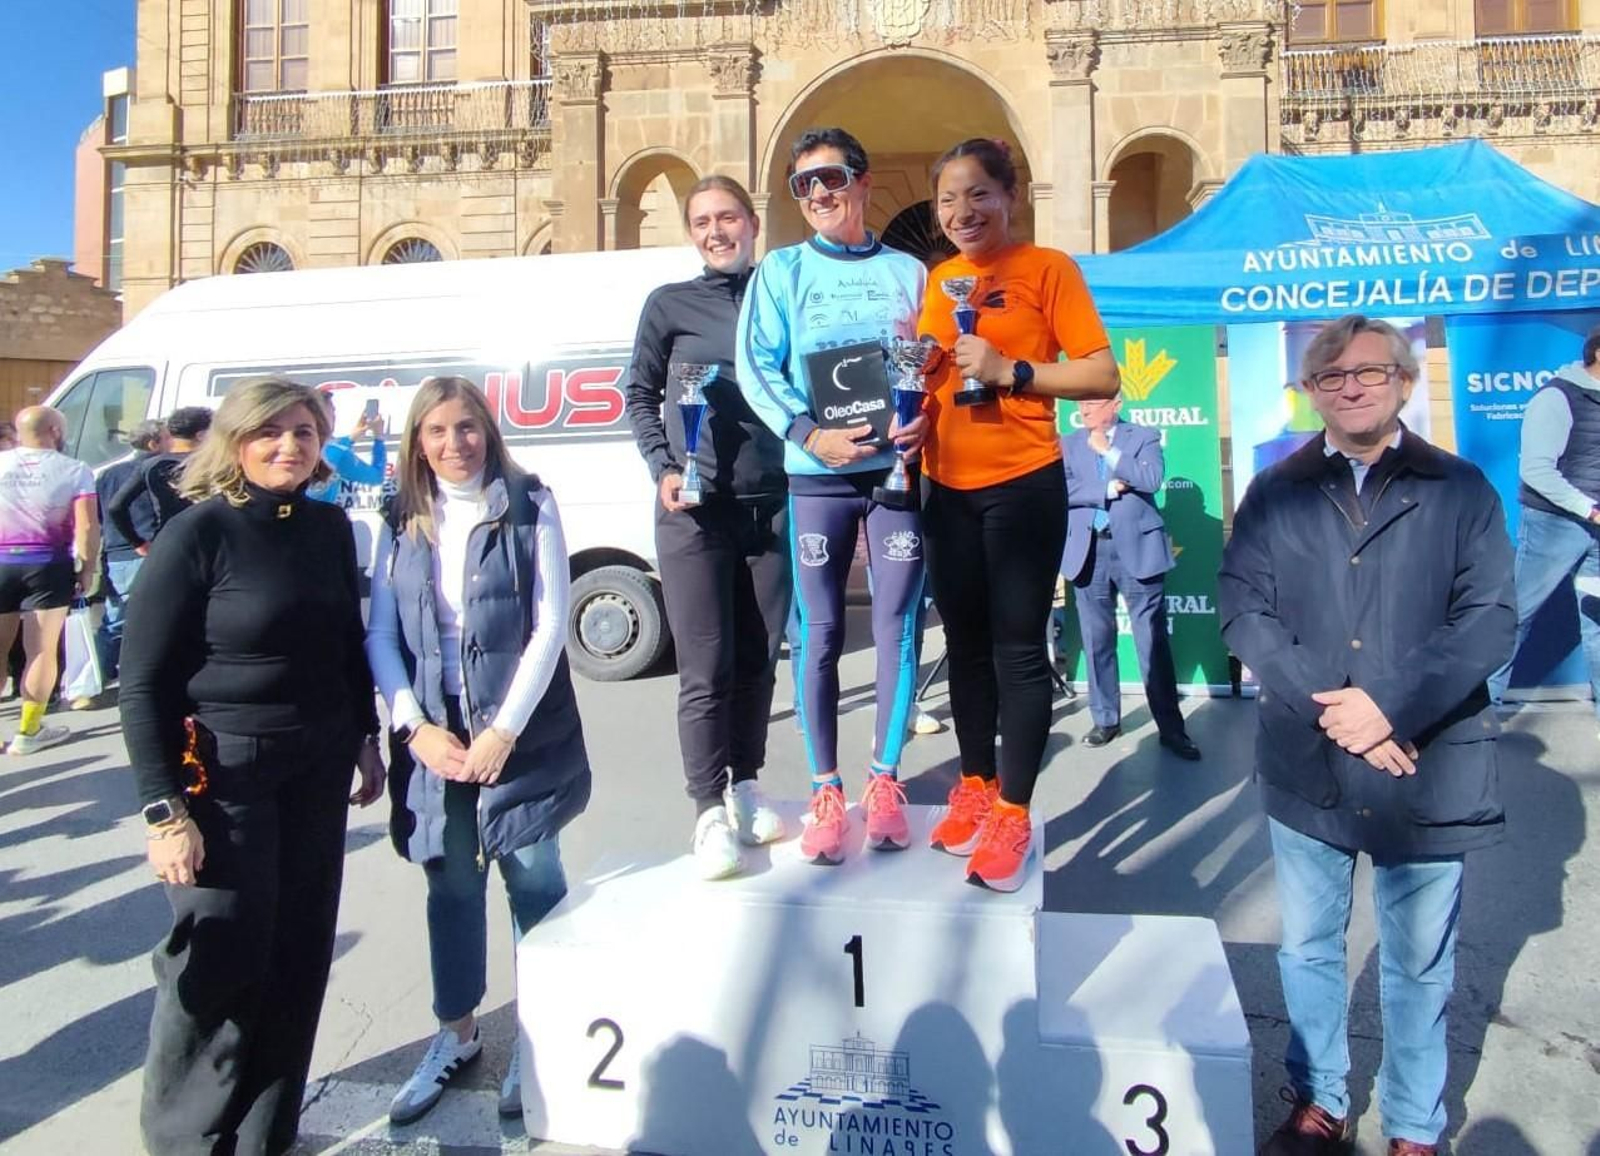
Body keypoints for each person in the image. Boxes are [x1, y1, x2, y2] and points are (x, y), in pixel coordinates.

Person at [1217, 315, 1515, 1156]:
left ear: (1405, 382)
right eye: (1332, 375)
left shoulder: (1460, 490)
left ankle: (1416, 1127)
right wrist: (1336, 708)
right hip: (1307, 763)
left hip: (1423, 764)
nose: (1351, 387)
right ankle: (1319, 1102)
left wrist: (1389, 707)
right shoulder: (1275, 490)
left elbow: (1489, 617)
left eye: (1370, 372)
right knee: (1309, 949)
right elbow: (1244, 607)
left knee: (1418, 965)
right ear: (1310, 390)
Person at [118, 377, 385, 1156]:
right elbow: (142, 683)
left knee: (299, 953)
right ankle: (186, 1138)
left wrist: (365, 738)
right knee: (221, 951)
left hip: (318, 762)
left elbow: (346, 646)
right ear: (235, 441)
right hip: (223, 770)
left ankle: (268, 1135)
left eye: (305, 432)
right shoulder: (196, 533)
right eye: (271, 432)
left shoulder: (331, 528)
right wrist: (163, 810)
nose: (289, 446)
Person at [366, 375, 591, 1124]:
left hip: (517, 734)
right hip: (437, 742)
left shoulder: (531, 502)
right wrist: (414, 728)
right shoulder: (399, 517)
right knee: (452, 889)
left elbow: (551, 623)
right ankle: (455, 1034)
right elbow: (381, 635)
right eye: (436, 431)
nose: (454, 444)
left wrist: (505, 730)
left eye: (466, 427)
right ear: (416, 443)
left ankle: (540, 1033)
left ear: (486, 431)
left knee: (535, 885)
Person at [915, 138, 1118, 891]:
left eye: (977, 195)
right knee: (964, 650)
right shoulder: (939, 281)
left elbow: (1101, 369)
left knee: (1018, 653)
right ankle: (972, 783)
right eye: (947, 200)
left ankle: (1014, 808)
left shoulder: (1048, 269)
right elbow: (927, 373)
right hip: (944, 485)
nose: (962, 212)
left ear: (1010, 197)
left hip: (1021, 483)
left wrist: (1014, 372)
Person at [737, 126, 929, 866]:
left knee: (898, 626)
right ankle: (825, 789)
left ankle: (884, 782)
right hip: (816, 472)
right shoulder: (781, 272)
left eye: (832, 177)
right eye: (804, 184)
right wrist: (807, 432)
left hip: (894, 476)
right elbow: (755, 363)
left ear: (863, 181)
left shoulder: (910, 272)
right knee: (818, 634)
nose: (819, 193)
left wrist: (927, 416)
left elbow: (932, 366)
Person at [626, 175, 791, 880]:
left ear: (752, 223)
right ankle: (706, 812)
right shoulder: (669, 305)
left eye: (728, 217)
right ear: (691, 232)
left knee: (759, 659)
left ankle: (747, 786)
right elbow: (637, 392)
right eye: (702, 221)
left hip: (775, 505)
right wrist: (663, 464)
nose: (716, 230)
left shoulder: (779, 296)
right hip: (694, 511)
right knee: (706, 667)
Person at [1063, 392, 1201, 759]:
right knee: (1097, 640)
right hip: (1088, 552)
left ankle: (1171, 729)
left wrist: (1107, 451)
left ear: (1116, 403)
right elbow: (1063, 490)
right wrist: (1107, 489)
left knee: (1151, 642)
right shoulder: (1068, 444)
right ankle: (1106, 719)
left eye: (1093, 401)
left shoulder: (1143, 436)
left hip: (1137, 551)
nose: (1085, 408)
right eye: (1081, 403)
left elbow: (1150, 478)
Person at [1487, 323, 1600, 718]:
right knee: (1517, 615)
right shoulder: (1556, 397)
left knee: (1597, 621)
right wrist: (1589, 509)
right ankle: (1483, 710)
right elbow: (1536, 469)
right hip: (1556, 525)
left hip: (1597, 530)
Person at [0, 406, 100, 754]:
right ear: (55, 431)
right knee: (40, 649)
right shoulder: (75, 470)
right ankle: (28, 731)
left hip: (0, 559)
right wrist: (87, 569)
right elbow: (87, 526)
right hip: (47, 562)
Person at [94, 418, 168, 683]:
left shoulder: (109, 473)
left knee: (116, 619)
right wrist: (140, 541)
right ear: (153, 443)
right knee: (149, 619)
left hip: (117, 552)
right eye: (168, 437)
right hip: (143, 548)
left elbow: (100, 515)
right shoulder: (154, 470)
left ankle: (97, 677)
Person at [106, 404, 213, 552]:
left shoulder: (150, 466)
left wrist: (137, 543)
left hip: (167, 543)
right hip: (210, 542)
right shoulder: (215, 464)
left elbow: (115, 507)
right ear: (201, 435)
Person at [308, 395, 389, 504]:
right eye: (333, 412)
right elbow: (376, 477)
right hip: (318, 518)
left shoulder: (291, 446)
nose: (335, 416)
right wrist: (379, 438)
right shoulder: (339, 452)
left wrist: (350, 439)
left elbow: (331, 449)